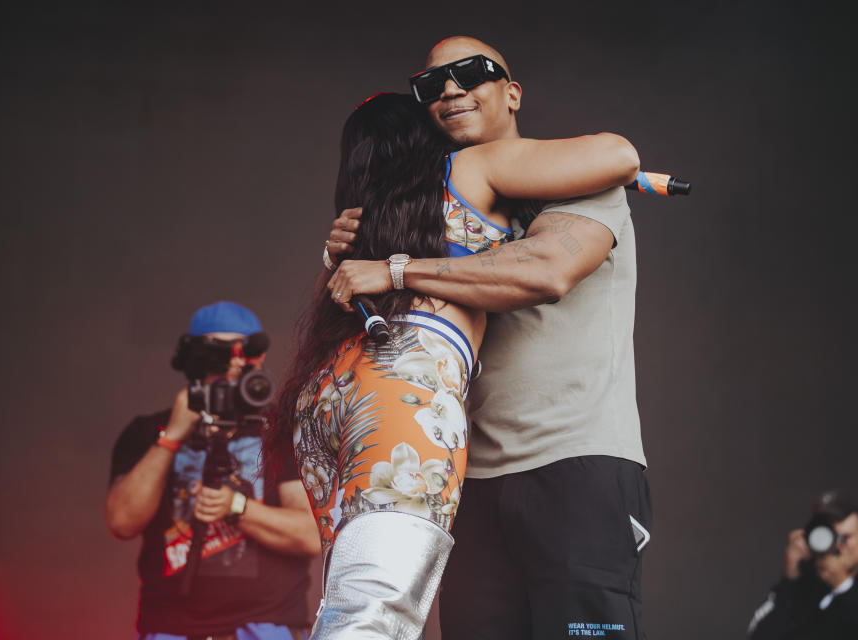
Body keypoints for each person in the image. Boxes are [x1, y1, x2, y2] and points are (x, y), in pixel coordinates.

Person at [269, 87, 638, 639]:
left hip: (328, 388)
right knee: (376, 613)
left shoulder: (365, 215)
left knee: (348, 602)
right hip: (401, 389)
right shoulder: (469, 167)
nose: (450, 94)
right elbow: (620, 156)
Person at [106, 301, 320, 640]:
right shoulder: (148, 432)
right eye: (220, 353)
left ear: (258, 357)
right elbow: (122, 521)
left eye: (244, 351)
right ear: (193, 360)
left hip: (265, 628)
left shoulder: (282, 432)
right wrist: (172, 437)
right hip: (170, 629)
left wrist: (237, 508)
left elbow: (311, 535)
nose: (234, 362)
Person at [747, 490, 858, 640]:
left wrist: (843, 585)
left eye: (845, 538)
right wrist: (789, 579)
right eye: (829, 537)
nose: (837, 547)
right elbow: (757, 635)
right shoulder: (800, 591)